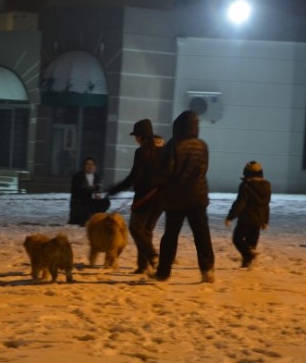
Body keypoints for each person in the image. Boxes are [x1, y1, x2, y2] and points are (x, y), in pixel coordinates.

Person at [153, 110, 215, 283]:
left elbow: (167, 170)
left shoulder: (174, 145)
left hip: (176, 197)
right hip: (197, 196)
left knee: (170, 236)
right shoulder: (202, 145)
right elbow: (203, 169)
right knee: (202, 234)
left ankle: (163, 272)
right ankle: (207, 269)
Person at [107, 119, 165, 274]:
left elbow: (134, 177)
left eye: (136, 135)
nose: (135, 139)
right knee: (146, 231)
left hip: (145, 197)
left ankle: (152, 256)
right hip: (161, 197)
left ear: (141, 136)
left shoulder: (142, 152)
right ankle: (143, 265)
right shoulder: (164, 149)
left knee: (136, 228)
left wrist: (114, 189)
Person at [224, 161, 272, 267]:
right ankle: (247, 265)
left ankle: (249, 255)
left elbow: (240, 203)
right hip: (258, 220)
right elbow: (266, 204)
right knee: (251, 244)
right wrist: (265, 220)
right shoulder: (267, 185)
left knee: (237, 239)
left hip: (246, 219)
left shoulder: (245, 185)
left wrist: (230, 217)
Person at [68, 157, 108, 226]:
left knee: (105, 200)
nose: (90, 166)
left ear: (95, 167)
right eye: (88, 164)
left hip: (93, 200)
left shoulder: (97, 177)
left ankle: (97, 218)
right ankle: (83, 219)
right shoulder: (77, 176)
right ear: (84, 166)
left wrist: (100, 195)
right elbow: (76, 191)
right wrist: (90, 191)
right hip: (80, 201)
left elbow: (99, 190)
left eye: (92, 165)